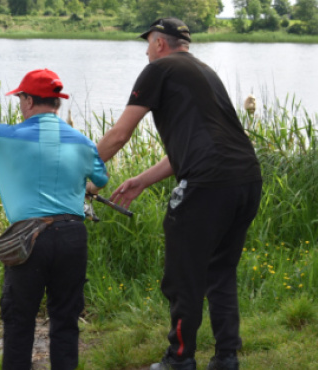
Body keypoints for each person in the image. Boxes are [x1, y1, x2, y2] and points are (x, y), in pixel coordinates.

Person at [89, 18, 262, 370]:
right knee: (221, 270)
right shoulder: (204, 71)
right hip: (246, 179)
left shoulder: (158, 69)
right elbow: (198, 144)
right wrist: (142, 180)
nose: (146, 51)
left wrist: (80, 173)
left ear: (158, 43)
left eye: (148, 43)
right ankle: (227, 357)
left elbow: (120, 134)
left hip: (208, 185)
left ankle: (179, 359)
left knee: (184, 276)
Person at [0, 69, 109, 370]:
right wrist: (84, 191)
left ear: (27, 100)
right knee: (65, 319)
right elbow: (99, 180)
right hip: (72, 236)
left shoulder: (4, 137)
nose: (19, 105)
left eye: (19, 98)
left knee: (18, 320)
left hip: (29, 239)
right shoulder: (83, 142)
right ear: (56, 103)